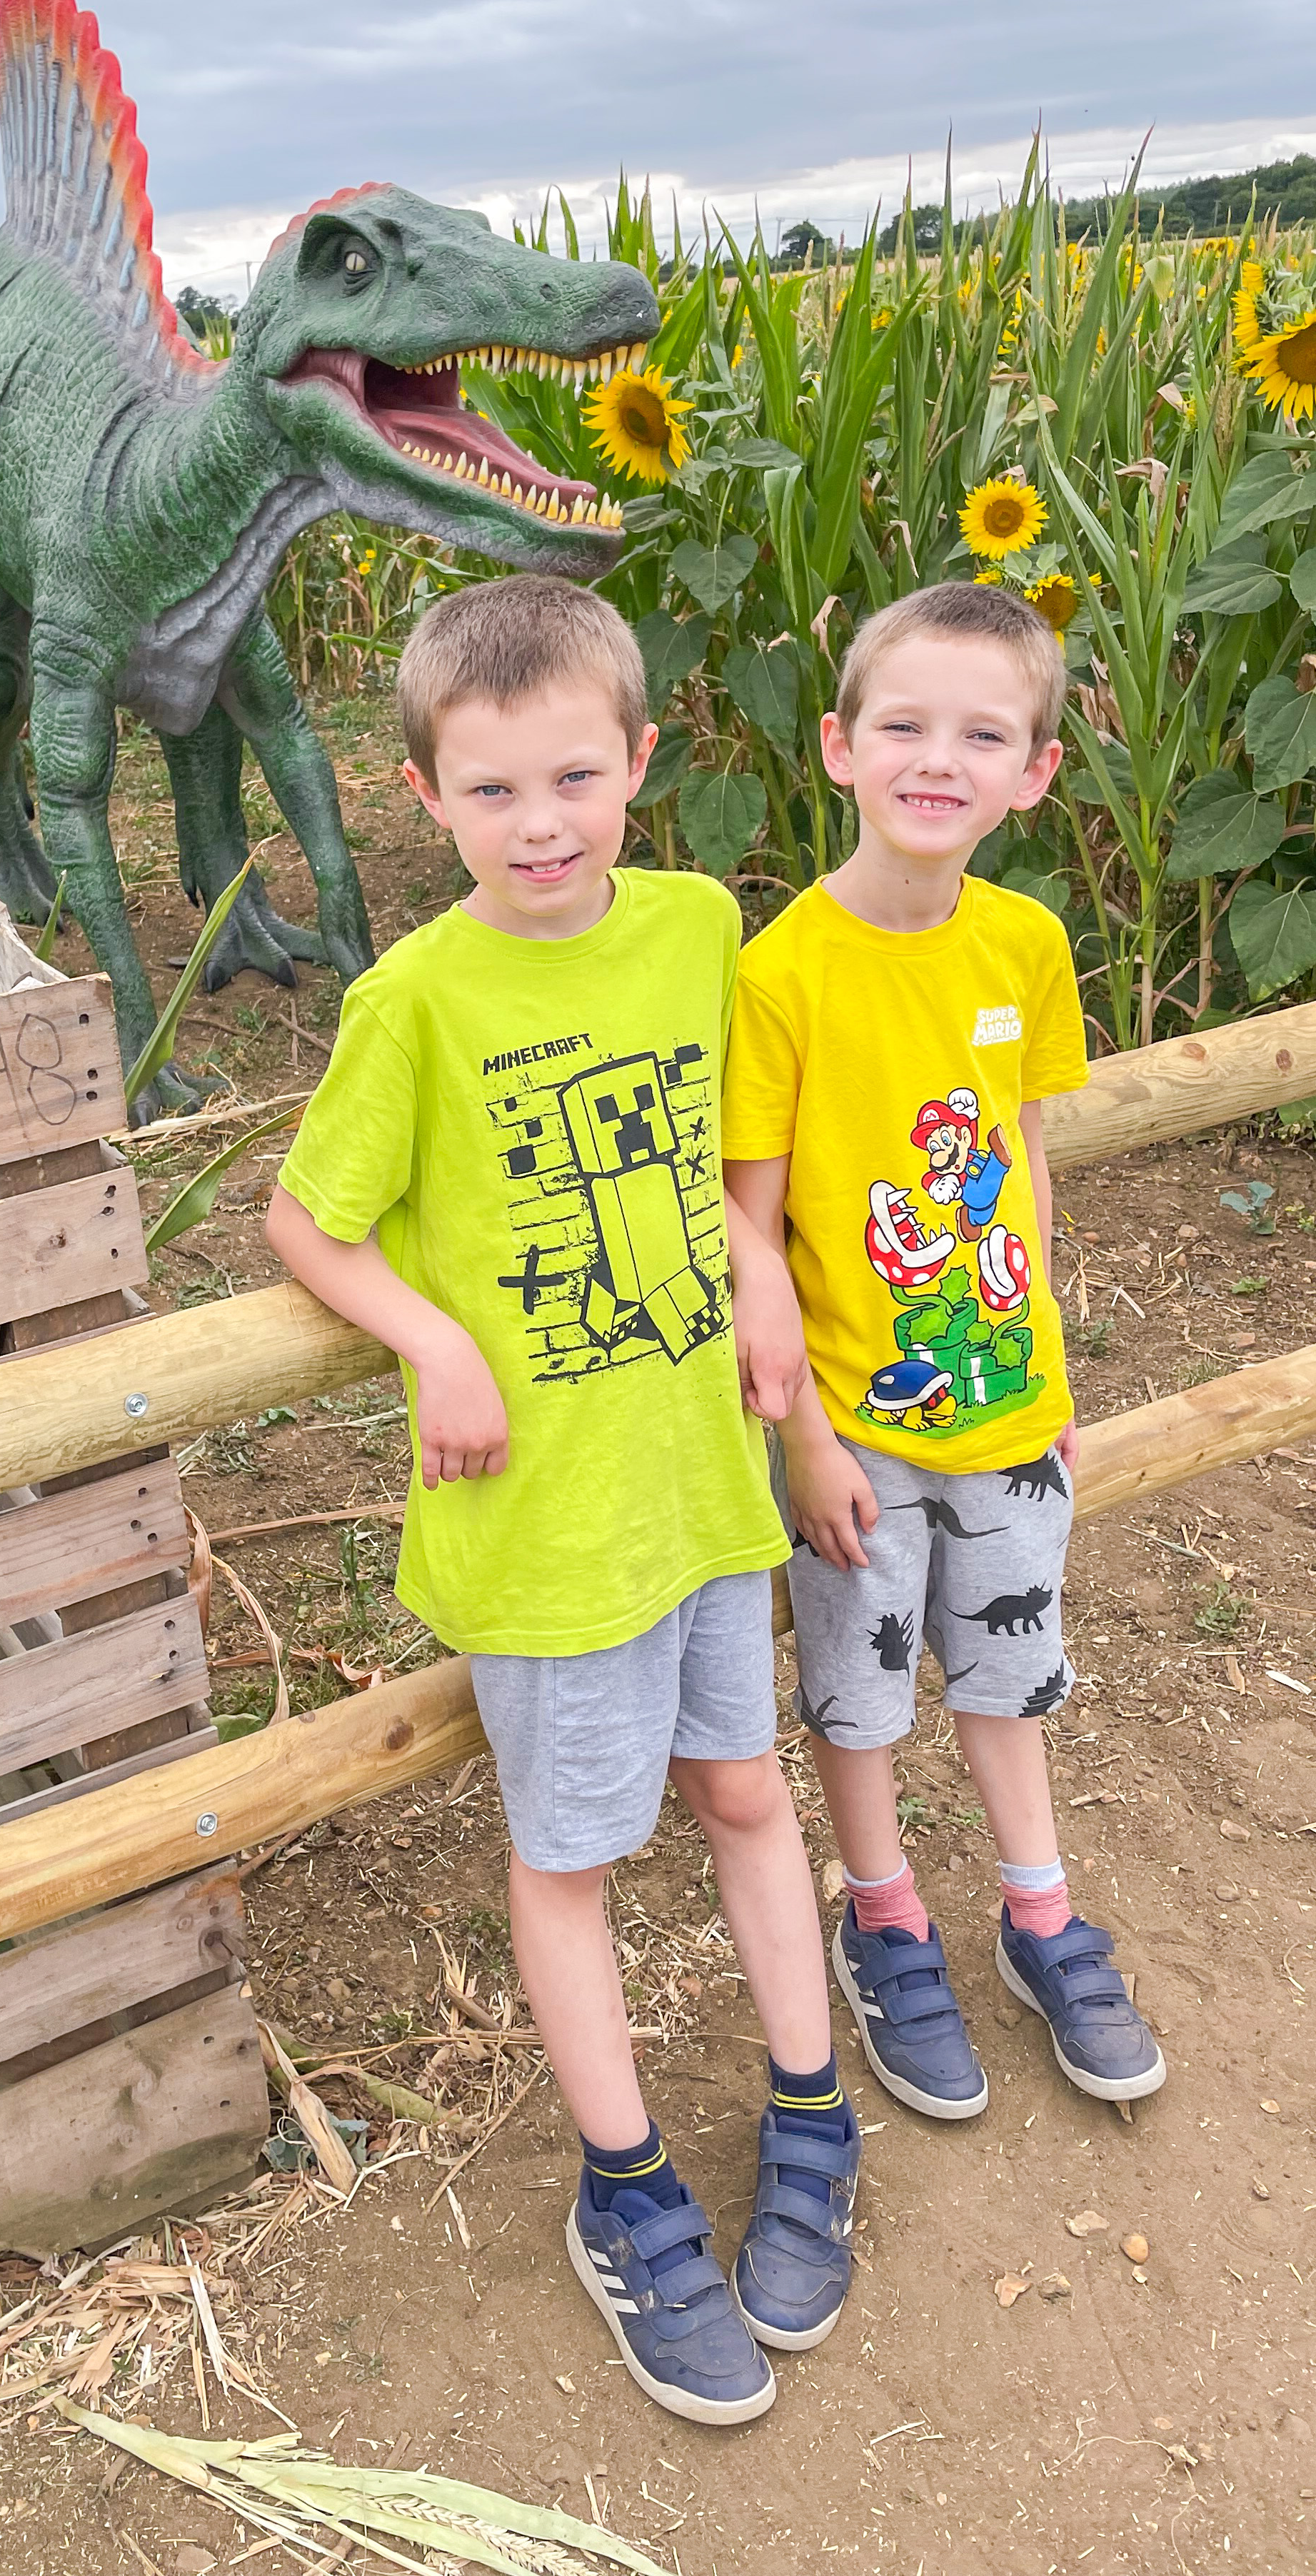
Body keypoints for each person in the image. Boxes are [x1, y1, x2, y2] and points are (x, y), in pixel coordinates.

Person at [265, 574, 857, 2427]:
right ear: (425, 796)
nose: (542, 827)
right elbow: (307, 1222)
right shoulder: (414, 1000)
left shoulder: (695, 930)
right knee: (576, 1859)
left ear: (641, 766)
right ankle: (628, 2194)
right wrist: (434, 1345)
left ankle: (815, 2111)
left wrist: (761, 1267)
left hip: (695, 1483)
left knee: (751, 1793)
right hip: (544, 1526)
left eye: (574, 781)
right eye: (495, 790)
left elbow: (729, 1151)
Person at [725, 580, 1166, 2123]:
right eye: (904, 725)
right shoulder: (782, 970)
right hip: (853, 1423)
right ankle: (887, 1912)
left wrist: (1043, 1343)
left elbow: (1026, 1149)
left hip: (1008, 1406)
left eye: (984, 733)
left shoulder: (1027, 946)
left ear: (1035, 774)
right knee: (859, 1692)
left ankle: (1039, 1909)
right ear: (840, 747)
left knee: (1009, 1666)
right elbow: (753, 1225)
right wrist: (802, 1438)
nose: (939, 758)